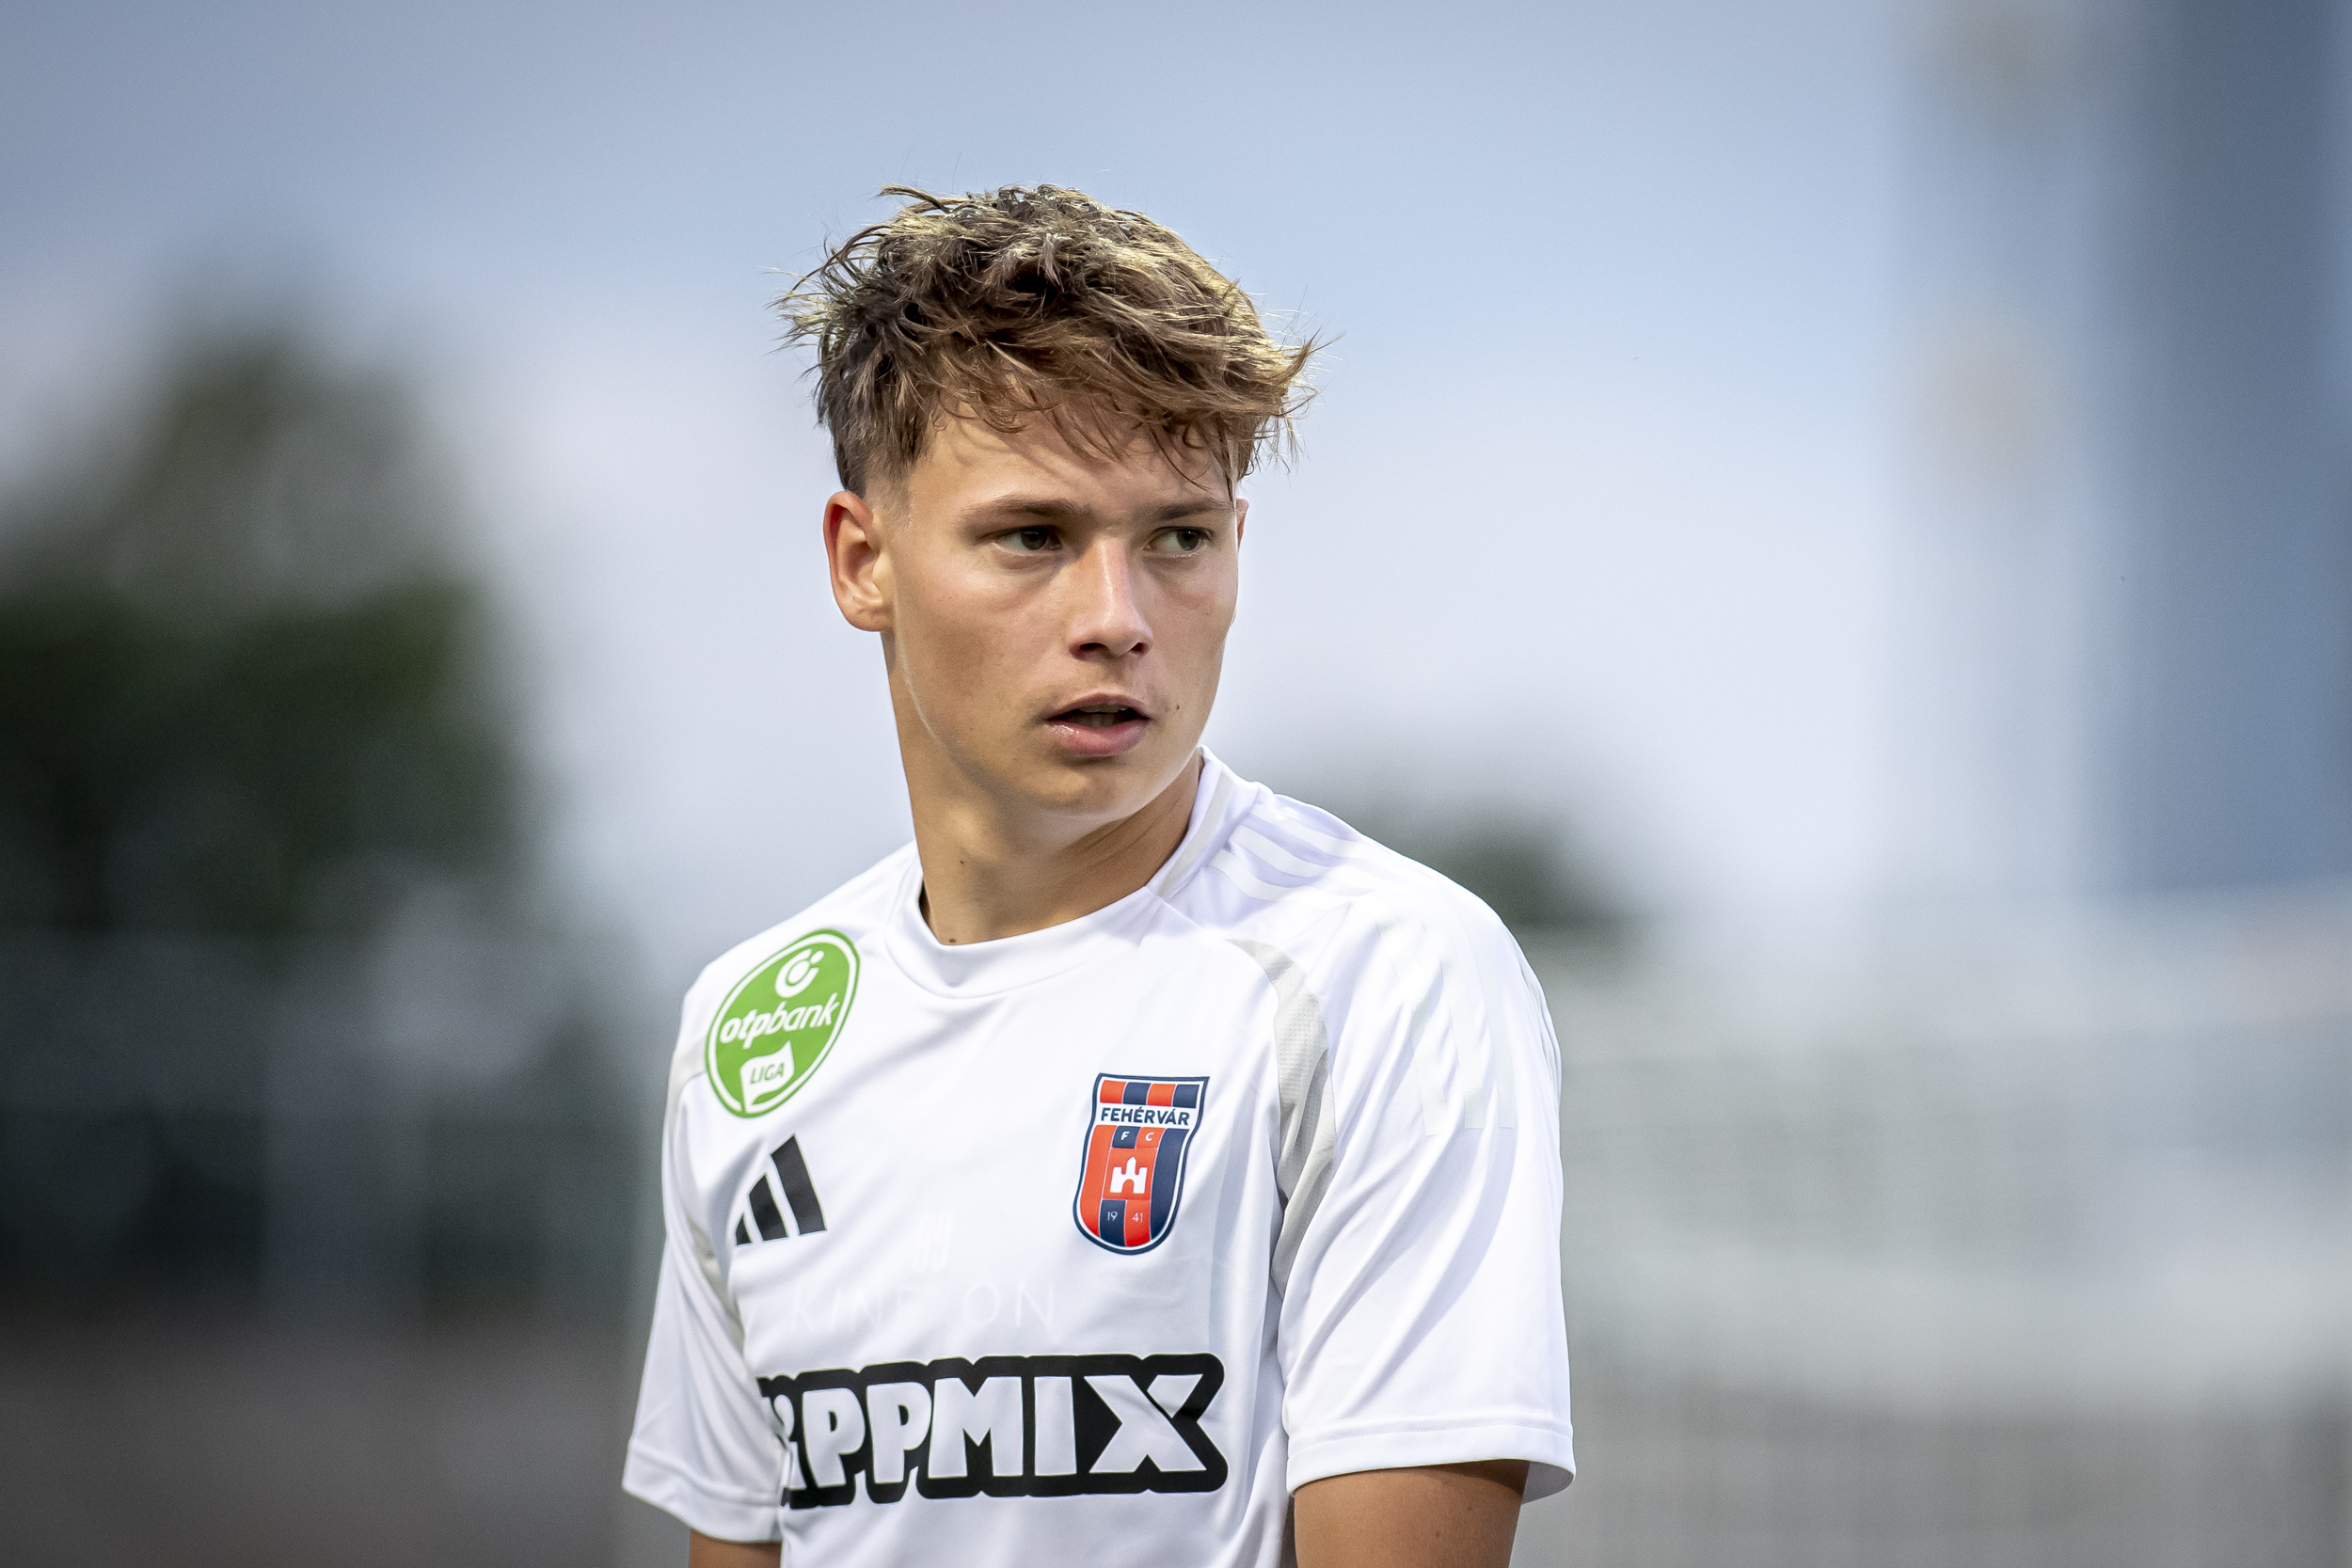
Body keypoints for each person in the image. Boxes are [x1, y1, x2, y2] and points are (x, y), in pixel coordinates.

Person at [622, 184, 1573, 1568]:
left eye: (1179, 538)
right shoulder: (753, 1026)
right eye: (1035, 537)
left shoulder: (1385, 970)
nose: (1117, 620)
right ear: (863, 560)